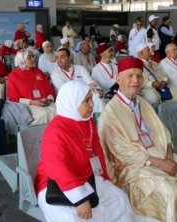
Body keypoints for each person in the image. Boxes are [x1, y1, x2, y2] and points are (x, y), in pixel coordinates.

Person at [98, 57, 177, 222]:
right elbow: (121, 156)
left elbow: (164, 134)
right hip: (134, 168)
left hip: (161, 154)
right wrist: (161, 164)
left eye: (139, 76)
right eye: (130, 76)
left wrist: (169, 157)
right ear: (119, 79)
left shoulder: (142, 103)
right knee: (170, 191)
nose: (135, 81)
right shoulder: (110, 113)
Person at [35, 80, 150, 222]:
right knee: (73, 218)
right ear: (72, 102)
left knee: (119, 198)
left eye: (91, 99)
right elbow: (58, 168)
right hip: (55, 184)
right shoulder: (55, 131)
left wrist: (104, 177)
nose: (92, 104)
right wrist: (80, 199)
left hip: (85, 176)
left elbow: (97, 153)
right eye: (86, 100)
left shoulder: (87, 122)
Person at [7, 49, 56, 125]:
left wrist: (49, 99)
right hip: (28, 104)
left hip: (44, 101)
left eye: (33, 56)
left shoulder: (38, 71)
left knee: (59, 111)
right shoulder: (13, 76)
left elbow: (49, 89)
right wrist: (33, 102)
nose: (33, 59)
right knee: (44, 114)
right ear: (21, 60)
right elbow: (13, 98)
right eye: (29, 57)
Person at [51, 48, 106, 113]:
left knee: (97, 97)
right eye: (57, 58)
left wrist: (98, 89)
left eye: (62, 57)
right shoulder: (55, 73)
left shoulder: (80, 68)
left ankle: (99, 120)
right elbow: (65, 89)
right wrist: (87, 87)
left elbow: (90, 82)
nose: (59, 60)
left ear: (69, 57)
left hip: (85, 97)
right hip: (68, 100)